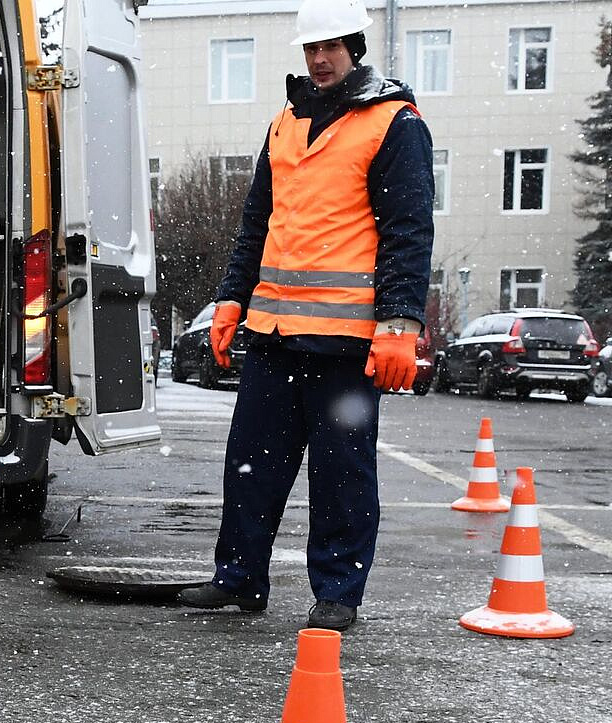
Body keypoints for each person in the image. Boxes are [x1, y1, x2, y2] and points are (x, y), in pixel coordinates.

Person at [177, 0, 433, 631]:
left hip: (345, 340)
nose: (319, 60)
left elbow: (408, 229)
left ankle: (338, 593)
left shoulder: (393, 123)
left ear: (355, 49)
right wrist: (231, 298)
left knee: (341, 472)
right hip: (273, 334)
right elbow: (256, 224)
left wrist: (401, 321)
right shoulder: (285, 123)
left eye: (332, 49)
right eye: (311, 49)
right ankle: (238, 581)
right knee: (252, 464)